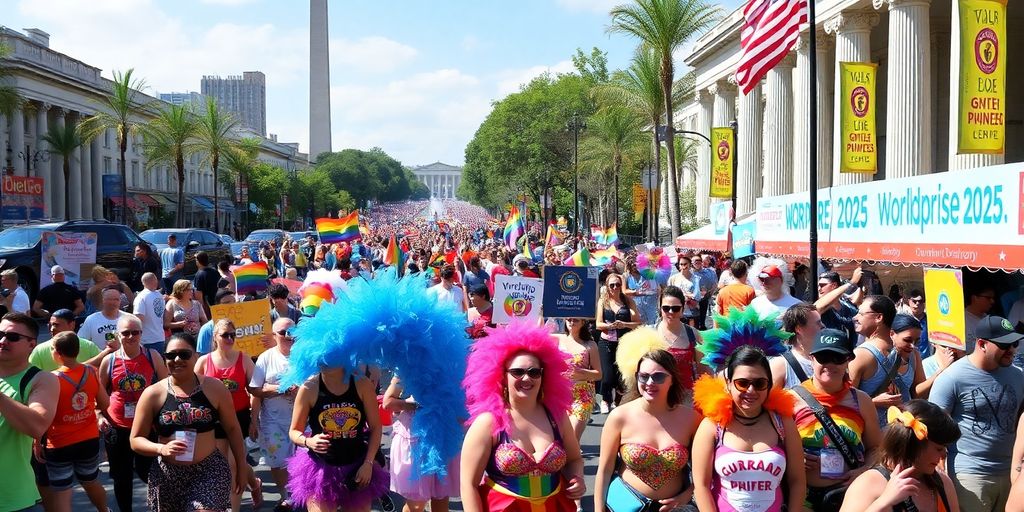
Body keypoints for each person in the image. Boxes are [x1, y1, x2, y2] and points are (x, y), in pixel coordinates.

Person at [459, 322, 586, 511]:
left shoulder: (557, 417)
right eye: (517, 372)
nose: (527, 378)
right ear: (502, 376)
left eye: (534, 372)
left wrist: (577, 478)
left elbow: (574, 459)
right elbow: (468, 485)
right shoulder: (488, 422)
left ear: (544, 376)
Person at [129, 332, 258, 512]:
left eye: (184, 354)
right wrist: (161, 449)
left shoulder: (215, 388)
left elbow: (233, 429)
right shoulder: (152, 394)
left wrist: (242, 469)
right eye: (171, 355)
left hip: (209, 471)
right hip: (168, 476)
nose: (177, 359)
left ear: (195, 357)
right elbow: (135, 440)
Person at [691, 345, 807, 511]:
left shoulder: (783, 423)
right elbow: (701, 486)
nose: (751, 390)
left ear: (769, 385)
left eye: (760, 383)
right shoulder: (712, 426)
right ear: (729, 384)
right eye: (742, 383)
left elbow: (797, 482)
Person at [930, 315, 1024, 511]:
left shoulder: (1018, 375)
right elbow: (933, 427)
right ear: (982, 344)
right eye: (1005, 345)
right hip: (971, 474)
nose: (1012, 350)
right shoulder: (952, 377)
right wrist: (939, 467)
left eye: (1014, 343)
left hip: (1011, 473)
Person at [594, 349, 699, 512]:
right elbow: (604, 470)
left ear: (672, 379)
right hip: (627, 506)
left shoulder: (691, 419)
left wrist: (686, 496)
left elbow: (706, 471)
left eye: (658, 377)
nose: (650, 383)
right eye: (643, 376)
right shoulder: (619, 416)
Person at [792, 328, 882, 511]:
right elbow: (775, 446)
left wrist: (864, 470)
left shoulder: (862, 401)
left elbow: (876, 447)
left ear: (848, 360)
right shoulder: (792, 399)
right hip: (804, 497)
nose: (830, 364)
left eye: (838, 358)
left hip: (850, 497)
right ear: (811, 358)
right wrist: (793, 459)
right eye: (823, 357)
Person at [287, 364, 390, 511]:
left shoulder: (362, 384)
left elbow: (375, 428)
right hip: (320, 469)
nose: (325, 361)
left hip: (357, 464)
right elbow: (294, 431)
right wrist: (307, 441)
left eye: (330, 356)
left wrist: (368, 463)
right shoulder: (309, 388)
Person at [97, 314, 168, 512]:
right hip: (117, 426)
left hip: (146, 425)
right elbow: (99, 393)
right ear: (118, 335)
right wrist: (100, 416)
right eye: (125, 333)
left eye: (134, 332)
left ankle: (160, 507)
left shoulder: (152, 356)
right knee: (121, 477)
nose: (130, 336)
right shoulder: (109, 361)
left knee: (151, 473)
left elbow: (167, 386)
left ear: (141, 334)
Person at [839, 400, 960, 512]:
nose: (944, 455)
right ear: (913, 445)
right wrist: (885, 501)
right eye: (939, 448)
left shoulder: (942, 482)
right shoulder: (868, 483)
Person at [41, 331, 109, 512]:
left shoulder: (51, 379)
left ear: (57, 353)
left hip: (59, 443)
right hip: (88, 439)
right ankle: (104, 510)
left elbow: (45, 415)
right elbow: (105, 403)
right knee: (91, 481)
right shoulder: (91, 372)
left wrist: (36, 440)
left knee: (62, 491)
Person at [0, 312, 59, 512]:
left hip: (12, 499)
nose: (2, 341)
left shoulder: (41, 380)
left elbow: (37, 426)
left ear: (32, 344)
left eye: (13, 337)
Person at [196, 319, 256, 512]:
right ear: (215, 337)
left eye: (233, 334)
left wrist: (255, 420)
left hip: (239, 417)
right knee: (227, 463)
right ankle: (255, 484)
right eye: (225, 335)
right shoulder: (204, 362)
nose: (230, 338)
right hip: (215, 419)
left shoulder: (243, 359)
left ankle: (233, 508)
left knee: (233, 464)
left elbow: (255, 391)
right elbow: (191, 389)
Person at [850, 299, 931, 427]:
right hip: (874, 437)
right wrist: (873, 402)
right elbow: (847, 402)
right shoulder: (861, 355)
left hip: (903, 434)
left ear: (879, 317)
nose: (855, 317)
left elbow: (918, 395)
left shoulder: (911, 354)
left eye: (861, 313)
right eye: (908, 340)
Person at [384, 375, 460, 512]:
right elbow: (387, 402)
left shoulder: (449, 366)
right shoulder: (406, 369)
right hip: (415, 443)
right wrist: (417, 405)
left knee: (441, 501)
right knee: (416, 505)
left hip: (442, 439)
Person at [249, 318, 297, 512]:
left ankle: (300, 494)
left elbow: (314, 385)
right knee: (277, 462)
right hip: (272, 421)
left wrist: (299, 389)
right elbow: (254, 389)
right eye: (283, 332)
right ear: (274, 335)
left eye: (292, 331)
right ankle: (285, 496)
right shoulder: (266, 358)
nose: (288, 336)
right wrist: (281, 388)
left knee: (304, 461)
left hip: (302, 420)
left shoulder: (303, 356)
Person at [596, 272, 640, 414]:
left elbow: (638, 323)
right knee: (607, 375)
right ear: (607, 287)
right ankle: (605, 399)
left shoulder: (628, 301)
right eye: (612, 285)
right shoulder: (603, 301)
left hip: (624, 342)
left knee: (621, 376)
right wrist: (610, 326)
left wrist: (624, 324)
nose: (615, 287)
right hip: (606, 342)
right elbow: (598, 324)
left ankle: (617, 400)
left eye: (618, 284)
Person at [556, 317, 602, 439]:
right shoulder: (558, 339)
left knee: (573, 435)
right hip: (562, 394)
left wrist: (581, 372)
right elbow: (538, 332)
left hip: (583, 394)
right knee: (562, 437)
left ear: (583, 322)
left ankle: (573, 453)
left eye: (575, 320)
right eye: (568, 319)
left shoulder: (590, 345)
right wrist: (540, 312)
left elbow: (598, 374)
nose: (571, 322)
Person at [658, 285, 704, 392]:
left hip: (686, 396)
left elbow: (703, 370)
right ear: (660, 309)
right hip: (659, 396)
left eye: (675, 308)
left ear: (682, 309)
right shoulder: (651, 333)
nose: (670, 312)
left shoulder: (692, 333)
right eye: (666, 308)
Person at [30, 309, 108, 371]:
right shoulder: (39, 350)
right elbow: (31, 376)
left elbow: (103, 367)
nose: (52, 329)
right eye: (50, 325)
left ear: (72, 325)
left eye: (56, 325)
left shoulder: (89, 346)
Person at [771, 303, 821, 389]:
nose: (823, 326)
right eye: (818, 323)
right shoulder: (780, 366)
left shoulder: (829, 359)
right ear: (799, 329)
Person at [814, 269, 864, 346]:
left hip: (848, 353)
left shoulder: (848, 307)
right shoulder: (822, 307)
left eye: (822, 285)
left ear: (834, 285)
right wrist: (851, 283)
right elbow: (817, 308)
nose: (819, 289)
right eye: (818, 286)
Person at [131, 272, 165, 353]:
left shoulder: (141, 297)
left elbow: (138, 319)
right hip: (159, 337)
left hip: (147, 340)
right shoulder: (159, 295)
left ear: (143, 283)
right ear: (155, 281)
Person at [198, 289, 238, 355]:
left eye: (234, 302)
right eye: (227, 303)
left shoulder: (246, 323)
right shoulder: (207, 329)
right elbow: (204, 356)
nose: (232, 306)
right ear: (217, 306)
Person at [667, 256, 701, 326]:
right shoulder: (673, 278)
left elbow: (698, 295)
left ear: (690, 265)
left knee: (692, 334)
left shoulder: (696, 278)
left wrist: (689, 297)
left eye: (685, 264)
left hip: (692, 311)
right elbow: (669, 294)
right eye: (681, 264)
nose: (683, 266)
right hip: (677, 311)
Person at [624, 259, 660, 326]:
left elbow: (657, 288)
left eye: (637, 264)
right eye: (633, 265)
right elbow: (624, 291)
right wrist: (635, 292)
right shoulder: (627, 276)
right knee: (641, 328)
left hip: (651, 306)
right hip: (637, 308)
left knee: (654, 326)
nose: (635, 267)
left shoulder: (648, 273)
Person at [964, 284, 996, 353]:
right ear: (974, 298)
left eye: (993, 298)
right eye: (988, 298)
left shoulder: (989, 319)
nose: (992, 301)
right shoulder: (961, 319)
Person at [900, 289, 930, 357]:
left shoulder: (930, 321)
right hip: (908, 360)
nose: (917, 304)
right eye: (914, 301)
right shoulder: (903, 321)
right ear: (909, 302)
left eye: (920, 301)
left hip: (926, 360)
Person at [693, 255, 719, 329]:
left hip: (705, 297)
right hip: (694, 298)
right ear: (692, 263)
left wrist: (710, 293)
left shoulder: (709, 272)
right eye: (695, 262)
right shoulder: (690, 274)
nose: (697, 263)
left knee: (703, 313)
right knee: (695, 316)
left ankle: (702, 326)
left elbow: (715, 283)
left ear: (701, 262)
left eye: (698, 261)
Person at [193, 251, 221, 318]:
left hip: (208, 305)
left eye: (196, 260)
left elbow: (199, 294)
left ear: (198, 261)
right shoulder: (215, 271)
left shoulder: (199, 275)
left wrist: (203, 311)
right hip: (218, 302)